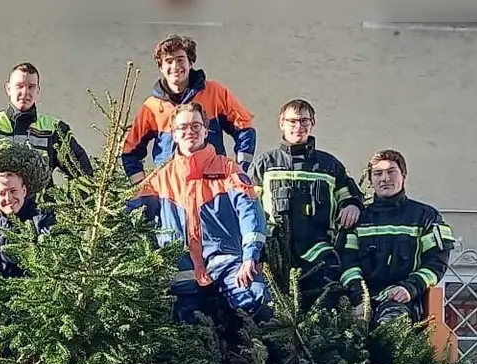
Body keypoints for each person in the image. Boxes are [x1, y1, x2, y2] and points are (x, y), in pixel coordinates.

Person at [131, 103, 269, 324]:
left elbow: (250, 212)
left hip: (228, 265)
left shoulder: (228, 170)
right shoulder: (159, 179)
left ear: (206, 131)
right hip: (181, 273)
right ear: (174, 134)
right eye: (183, 127)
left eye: (196, 126)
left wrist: (250, 257)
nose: (190, 132)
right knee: (187, 332)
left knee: (257, 299)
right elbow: (129, 216)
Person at [247, 99, 363, 302]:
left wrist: (352, 205)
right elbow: (248, 209)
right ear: (281, 123)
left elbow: (350, 195)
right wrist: (255, 254)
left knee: (326, 310)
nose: (298, 126)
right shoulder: (264, 164)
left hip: (320, 258)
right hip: (274, 257)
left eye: (304, 121)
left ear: (312, 123)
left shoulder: (329, 165)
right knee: (268, 312)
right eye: (292, 121)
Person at [0, 62, 92, 215]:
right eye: (19, 86)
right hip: (0, 221)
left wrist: (70, 212)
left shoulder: (54, 130)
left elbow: (83, 171)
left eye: (31, 87)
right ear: (8, 89)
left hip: (43, 221)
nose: (25, 92)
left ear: (38, 90)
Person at [339, 149, 456, 325]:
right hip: (362, 303)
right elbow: (347, 262)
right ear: (371, 180)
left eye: (391, 172)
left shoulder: (425, 216)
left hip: (405, 303)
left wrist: (410, 287)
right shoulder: (359, 220)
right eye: (378, 173)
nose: (385, 178)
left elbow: (436, 263)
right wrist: (359, 297)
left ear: (403, 175)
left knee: (391, 323)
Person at [122, 33, 256, 181]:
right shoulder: (152, 107)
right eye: (169, 61)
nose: (175, 66)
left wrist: (240, 170)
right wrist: (141, 186)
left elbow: (244, 128)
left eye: (180, 59)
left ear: (190, 63)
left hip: (212, 183)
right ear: (161, 67)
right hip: (170, 186)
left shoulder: (215, 92)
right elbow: (130, 150)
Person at [0, 142, 58, 300]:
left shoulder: (44, 221)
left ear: (24, 190)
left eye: (13, 191)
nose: (8, 198)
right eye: (2, 193)